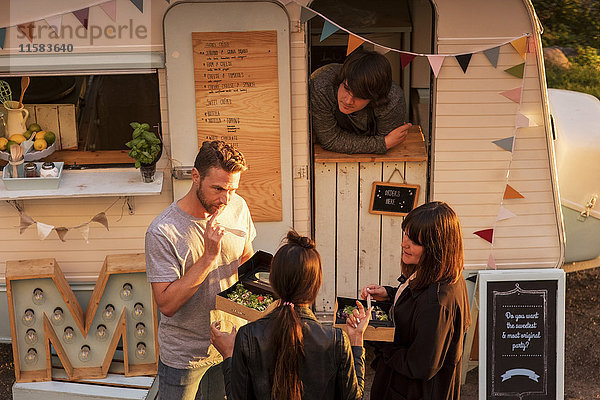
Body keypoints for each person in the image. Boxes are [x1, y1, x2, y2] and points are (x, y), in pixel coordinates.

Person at [145, 140, 256, 400]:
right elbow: (167, 305)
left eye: (232, 189)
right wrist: (208, 257)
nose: (225, 199)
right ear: (195, 177)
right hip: (184, 356)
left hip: (229, 345)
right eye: (217, 188)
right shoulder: (163, 231)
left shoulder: (236, 206)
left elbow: (246, 260)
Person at [210, 230, 372, 400]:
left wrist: (228, 354)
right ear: (316, 286)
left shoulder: (248, 336)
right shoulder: (336, 340)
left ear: (272, 282)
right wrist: (356, 341)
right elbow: (353, 397)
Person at [360, 201, 471, 400]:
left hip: (410, 392)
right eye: (405, 234)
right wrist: (390, 294)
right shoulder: (440, 274)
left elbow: (421, 365)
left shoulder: (438, 302)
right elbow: (417, 304)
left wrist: (378, 338)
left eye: (415, 241)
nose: (404, 243)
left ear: (437, 248)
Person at [310, 50, 412, 154]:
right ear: (342, 79)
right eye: (346, 88)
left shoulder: (392, 99)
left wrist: (384, 144)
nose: (348, 101)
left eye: (360, 96)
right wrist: (383, 143)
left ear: (374, 97)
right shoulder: (322, 85)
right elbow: (330, 140)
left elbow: (390, 146)